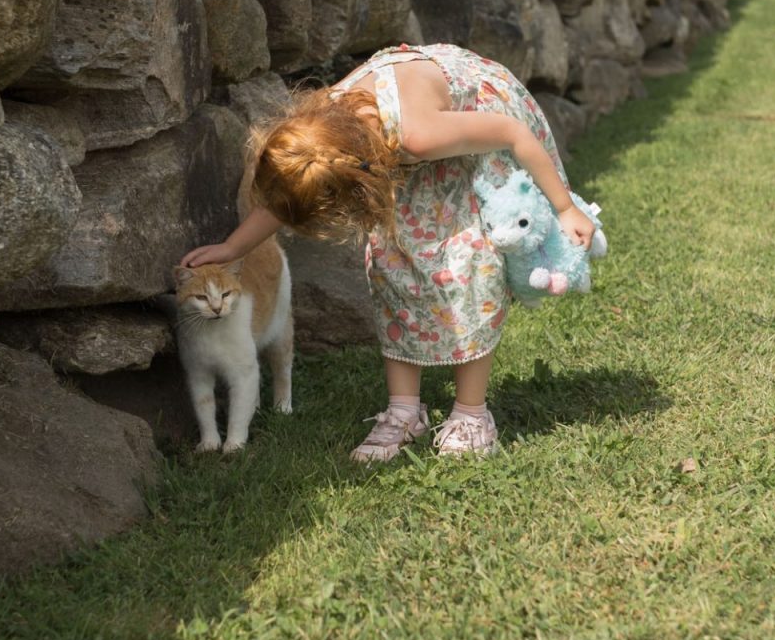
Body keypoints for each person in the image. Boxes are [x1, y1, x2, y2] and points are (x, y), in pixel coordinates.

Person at [182, 43, 599, 463]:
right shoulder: (321, 135)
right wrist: (233, 246)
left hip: (481, 122)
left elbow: (513, 132)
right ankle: (403, 411)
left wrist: (565, 207)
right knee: (391, 262)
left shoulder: (418, 135)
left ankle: (471, 414)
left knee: (467, 261)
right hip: (398, 140)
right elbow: (286, 197)